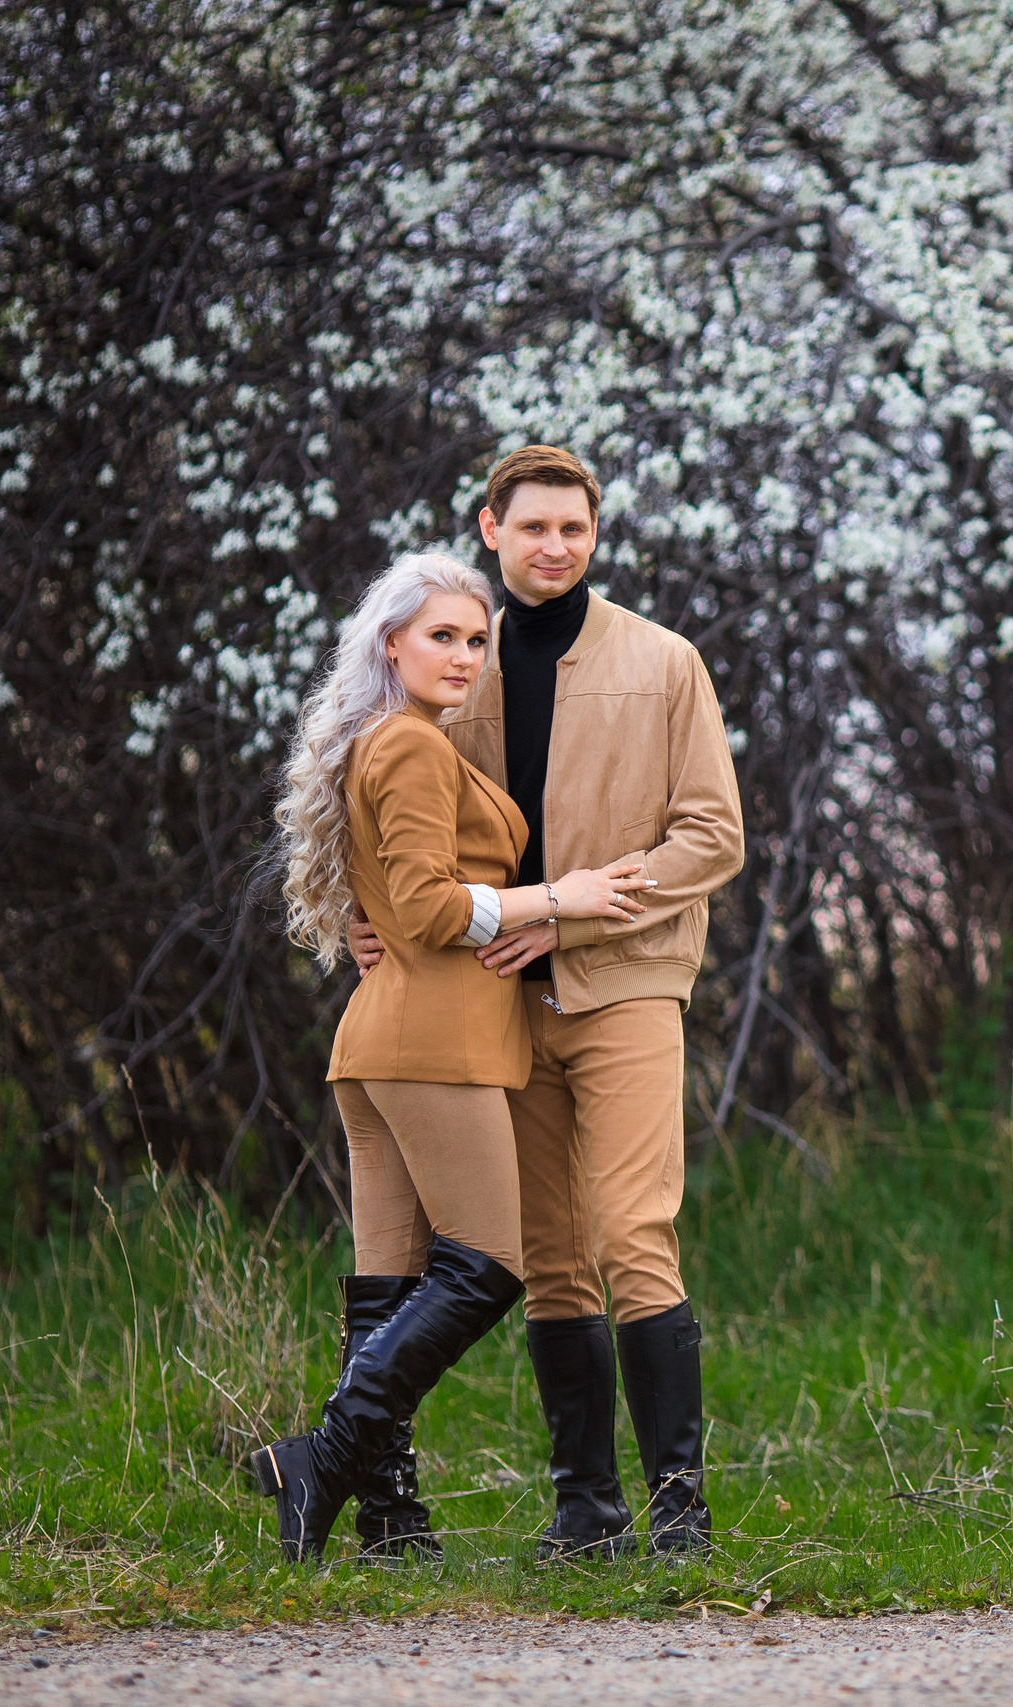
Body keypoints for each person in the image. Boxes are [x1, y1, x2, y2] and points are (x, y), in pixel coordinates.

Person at [351, 445, 745, 1556]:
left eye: (574, 528)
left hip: (624, 986)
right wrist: (363, 909)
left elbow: (713, 836)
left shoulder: (663, 665)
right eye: (532, 528)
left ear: (595, 533)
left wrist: (561, 917)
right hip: (492, 1005)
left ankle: (681, 1517)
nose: (554, 547)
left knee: (635, 1235)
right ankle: (586, 1516)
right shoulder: (455, 669)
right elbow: (397, 819)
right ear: (491, 530)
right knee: (551, 1254)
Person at [265, 550, 649, 1563]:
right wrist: (559, 898)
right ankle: (324, 1453)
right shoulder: (413, 748)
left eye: (477, 640)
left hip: (382, 1044)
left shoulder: (383, 742)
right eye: (442, 636)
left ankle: (390, 1523)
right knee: (487, 1265)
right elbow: (436, 910)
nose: (466, 655)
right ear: (390, 643)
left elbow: (393, 896)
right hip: (437, 1044)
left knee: (385, 1286)